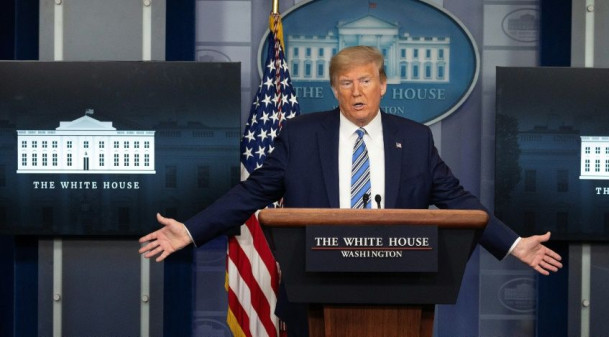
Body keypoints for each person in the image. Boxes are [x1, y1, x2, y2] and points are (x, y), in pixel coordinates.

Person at [139, 45, 562, 335]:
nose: (356, 91)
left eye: (364, 81)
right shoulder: (301, 135)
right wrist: (191, 231)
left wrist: (512, 244)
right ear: (333, 89)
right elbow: (252, 193)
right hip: (314, 292)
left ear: (383, 85)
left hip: (400, 292)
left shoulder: (414, 138)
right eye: (345, 83)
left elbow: (456, 199)